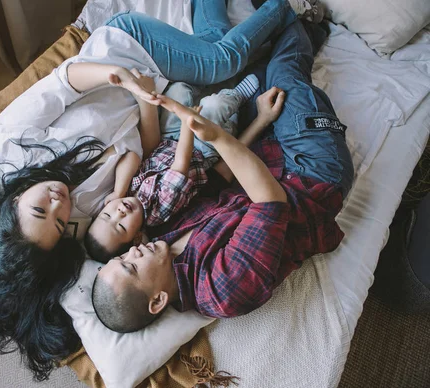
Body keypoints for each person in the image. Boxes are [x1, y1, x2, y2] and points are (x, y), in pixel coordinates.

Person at [0, 0, 320, 380]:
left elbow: (65, 80)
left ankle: (290, 6)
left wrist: (117, 75)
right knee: (214, 42)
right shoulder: (88, 209)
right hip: (151, 95)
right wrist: (144, 121)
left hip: (124, 54)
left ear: (14, 200)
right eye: (59, 221)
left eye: (38, 210)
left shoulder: (11, 140)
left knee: (222, 60)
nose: (57, 203)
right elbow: (140, 156)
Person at [92, 19, 355, 334]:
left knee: (250, 69)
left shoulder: (161, 237)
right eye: (131, 267)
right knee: (283, 74)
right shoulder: (223, 290)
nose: (133, 252)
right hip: (311, 173)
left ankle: (306, 31)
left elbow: (218, 180)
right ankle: (301, 18)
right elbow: (270, 200)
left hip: (262, 149)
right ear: (158, 301)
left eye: (122, 257)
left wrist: (259, 121)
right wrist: (213, 135)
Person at [85, 75, 289, 262]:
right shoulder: (157, 212)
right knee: (215, 106)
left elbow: (131, 158)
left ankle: (209, 89)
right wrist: (186, 122)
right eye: (121, 226)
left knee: (178, 90)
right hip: (197, 149)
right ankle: (237, 95)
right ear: (138, 237)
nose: (119, 212)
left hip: (169, 139)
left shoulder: (126, 192)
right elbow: (180, 166)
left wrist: (118, 191)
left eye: (107, 215)